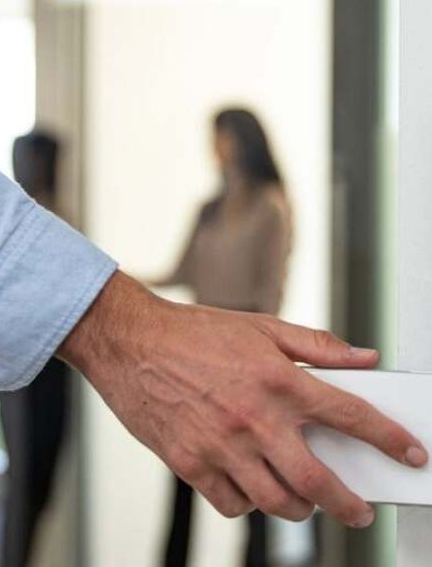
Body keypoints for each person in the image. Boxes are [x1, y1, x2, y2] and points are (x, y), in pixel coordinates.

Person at [0, 0, 428, 533]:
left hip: (235, 341)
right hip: (190, 334)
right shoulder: (212, 208)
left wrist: (124, 315)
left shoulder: (268, 204)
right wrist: (121, 316)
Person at [154, 109, 292, 567]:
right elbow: (178, 272)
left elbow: (271, 291)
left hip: (243, 352)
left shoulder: (271, 206)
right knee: (183, 471)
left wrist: (256, 357)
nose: (214, 147)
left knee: (254, 480)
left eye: (221, 138)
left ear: (242, 141)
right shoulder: (207, 210)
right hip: (192, 347)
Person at [0, 130, 70, 567]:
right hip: (22, 368)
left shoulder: (56, 217)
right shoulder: (18, 223)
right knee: (25, 481)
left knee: (40, 484)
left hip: (54, 369)